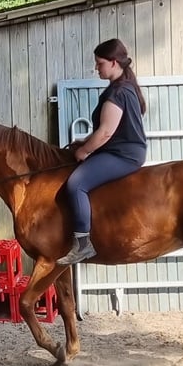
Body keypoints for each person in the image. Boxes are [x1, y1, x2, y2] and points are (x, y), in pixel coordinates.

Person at [57, 38, 148, 265]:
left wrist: (84, 151)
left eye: (100, 63)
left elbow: (106, 132)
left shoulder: (118, 92)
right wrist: (84, 141)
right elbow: (108, 131)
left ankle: (83, 245)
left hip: (123, 155)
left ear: (113, 62)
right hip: (122, 150)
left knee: (75, 184)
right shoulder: (123, 88)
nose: (97, 67)